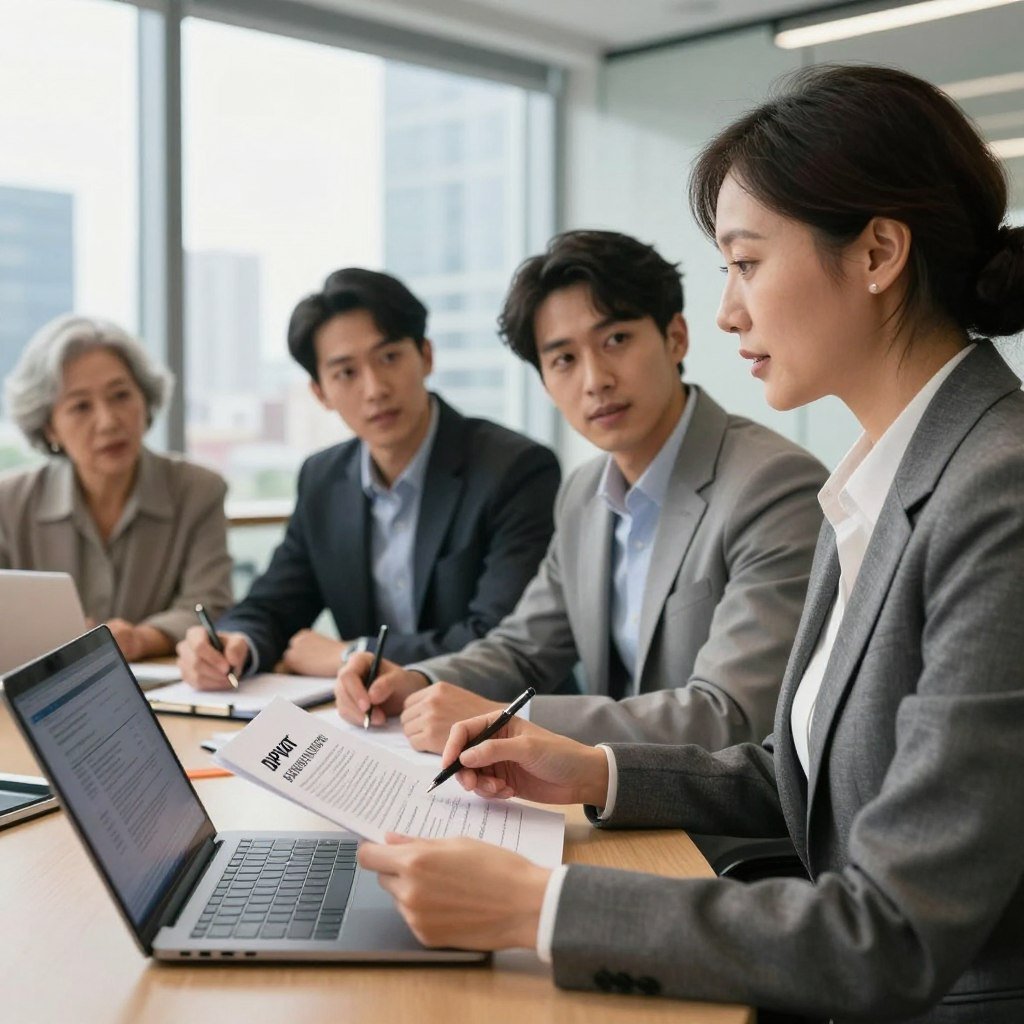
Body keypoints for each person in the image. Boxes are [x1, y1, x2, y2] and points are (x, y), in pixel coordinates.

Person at [356, 65, 1024, 1021]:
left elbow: (896, 935)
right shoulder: (882, 477)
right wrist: (591, 769)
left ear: (878, 252)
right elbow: (811, 780)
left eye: (747, 263)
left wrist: (539, 907)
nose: (727, 313)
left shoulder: (997, 490)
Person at [336, 230, 826, 751]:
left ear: (676, 337)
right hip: (614, 806)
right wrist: (417, 682)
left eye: (615, 340)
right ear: (546, 382)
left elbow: (727, 716)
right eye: (564, 359)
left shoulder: (772, 486)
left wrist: (503, 719)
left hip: (723, 827)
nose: (595, 380)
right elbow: (522, 649)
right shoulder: (584, 493)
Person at [177, 267, 560, 689]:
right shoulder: (323, 478)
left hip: (498, 719)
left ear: (426, 356)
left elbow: (498, 640)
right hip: (375, 724)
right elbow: (275, 603)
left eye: (390, 357)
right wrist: (235, 643)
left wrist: (351, 655)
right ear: (320, 393)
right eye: (346, 373)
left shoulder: (515, 469)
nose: (375, 388)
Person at [0, 314, 233, 659]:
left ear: (145, 399)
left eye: (121, 395)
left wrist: (139, 639)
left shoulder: (199, 490)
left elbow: (210, 605)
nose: (109, 421)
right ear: (49, 427)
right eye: (81, 406)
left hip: (162, 688)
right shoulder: (9, 503)